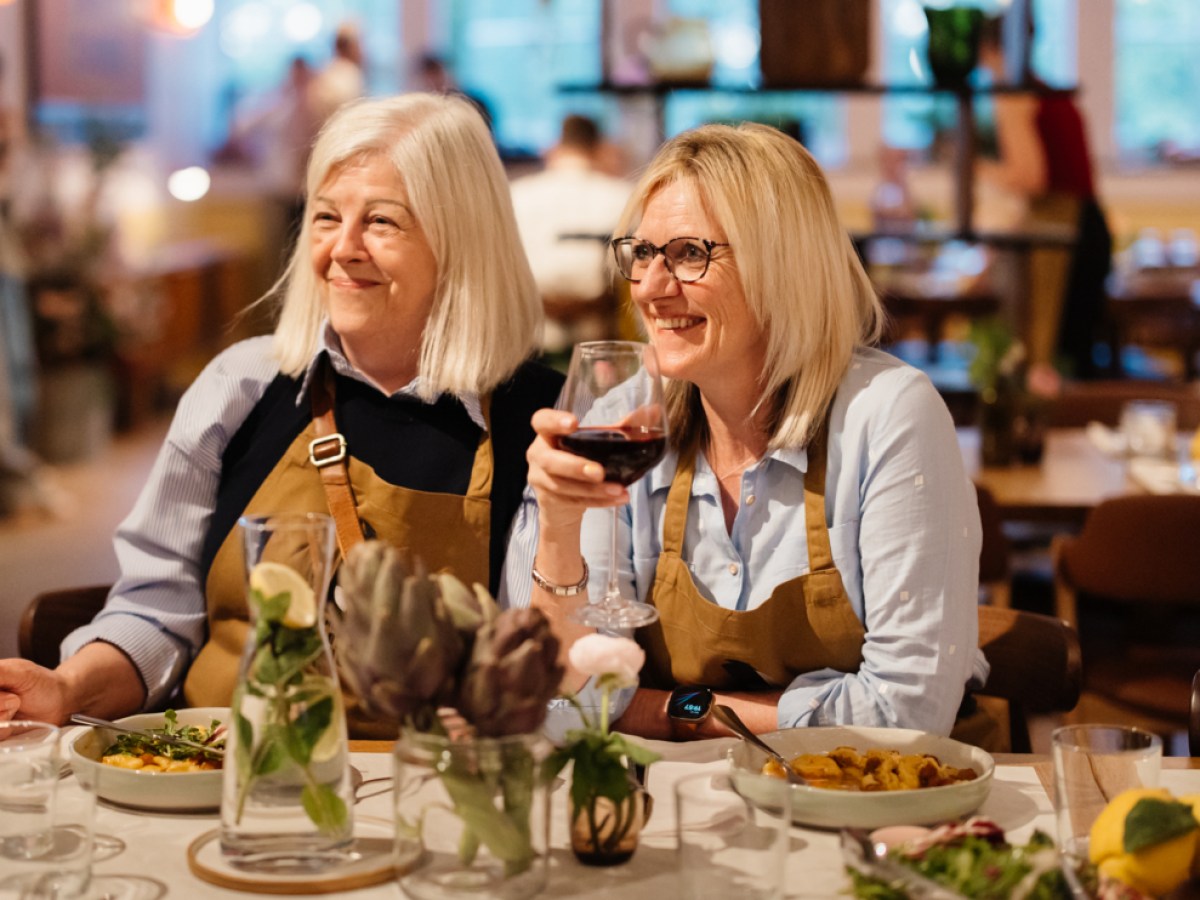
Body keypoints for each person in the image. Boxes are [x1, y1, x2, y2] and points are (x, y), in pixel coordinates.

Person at [0, 93, 563, 734]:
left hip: (422, 795)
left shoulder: (538, 420)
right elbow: (158, 613)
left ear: (463, 241)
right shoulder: (240, 385)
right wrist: (67, 686)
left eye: (382, 222)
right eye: (325, 217)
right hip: (214, 774)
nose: (342, 248)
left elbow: (544, 667)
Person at [511, 122, 992, 746]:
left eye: (689, 254)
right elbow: (560, 703)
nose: (652, 289)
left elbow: (906, 715)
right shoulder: (626, 414)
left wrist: (670, 710)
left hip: (863, 810)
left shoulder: (888, 414)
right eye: (642, 253)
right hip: (677, 816)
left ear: (784, 266)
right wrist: (558, 525)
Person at [977, 18, 1112, 379]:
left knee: (1047, 360)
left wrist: (975, 168)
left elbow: (1031, 178)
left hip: (1061, 234)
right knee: (1072, 354)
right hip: (1085, 226)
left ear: (990, 50)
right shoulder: (1044, 90)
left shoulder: (1015, 94)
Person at [510, 114, 632, 353]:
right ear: (600, 147)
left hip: (530, 341)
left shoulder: (516, 195)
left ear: (556, 146)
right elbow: (632, 274)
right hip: (603, 341)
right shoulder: (624, 197)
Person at [309, 23, 366, 128]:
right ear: (350, 47)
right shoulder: (349, 74)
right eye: (359, 45)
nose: (362, 51)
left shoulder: (327, 70)